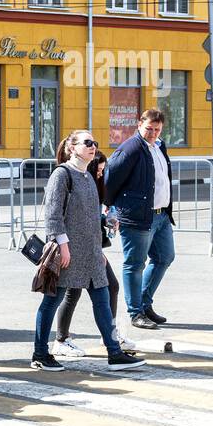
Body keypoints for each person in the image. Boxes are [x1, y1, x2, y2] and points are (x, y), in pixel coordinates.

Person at [33, 131, 146, 372]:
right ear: (72, 148)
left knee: (102, 300)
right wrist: (63, 246)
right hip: (68, 253)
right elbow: (53, 217)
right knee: (51, 302)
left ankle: (114, 353)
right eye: (87, 143)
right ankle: (40, 353)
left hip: (91, 252)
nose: (93, 146)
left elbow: (89, 214)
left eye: (94, 143)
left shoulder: (87, 176)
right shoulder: (62, 175)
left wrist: (106, 224)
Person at [52, 144, 134, 358]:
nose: (100, 174)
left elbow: (92, 217)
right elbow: (67, 218)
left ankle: (110, 336)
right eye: (98, 170)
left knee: (109, 288)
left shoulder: (92, 184)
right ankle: (61, 340)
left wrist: (107, 219)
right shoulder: (72, 178)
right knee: (71, 293)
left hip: (90, 249)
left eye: (102, 171)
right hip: (77, 248)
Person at [105, 109, 175, 331]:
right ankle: (136, 312)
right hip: (137, 216)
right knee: (135, 264)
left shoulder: (159, 145)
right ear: (139, 125)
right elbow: (110, 178)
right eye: (149, 129)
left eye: (157, 129)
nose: (153, 133)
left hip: (161, 215)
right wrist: (110, 207)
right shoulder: (131, 148)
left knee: (164, 257)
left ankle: (145, 303)